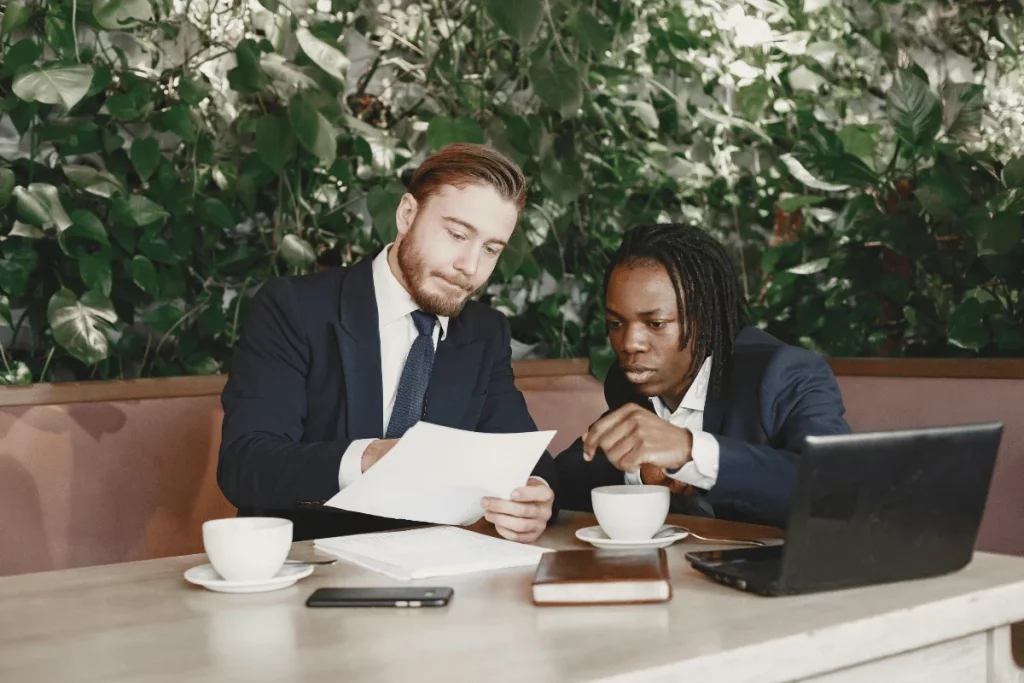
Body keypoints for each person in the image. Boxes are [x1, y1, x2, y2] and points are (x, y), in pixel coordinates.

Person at [218, 144, 558, 543]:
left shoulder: (484, 333)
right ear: (407, 214)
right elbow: (246, 464)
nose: (470, 266)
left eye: (491, 249)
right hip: (311, 573)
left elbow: (529, 460)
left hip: (437, 576)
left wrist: (534, 497)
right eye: (456, 234)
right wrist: (367, 459)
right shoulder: (295, 308)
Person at [555, 223, 850, 528]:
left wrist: (689, 452)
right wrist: (641, 472)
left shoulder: (783, 373)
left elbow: (833, 488)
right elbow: (572, 475)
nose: (630, 343)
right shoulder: (630, 383)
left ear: (705, 319)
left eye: (655, 324)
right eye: (616, 323)